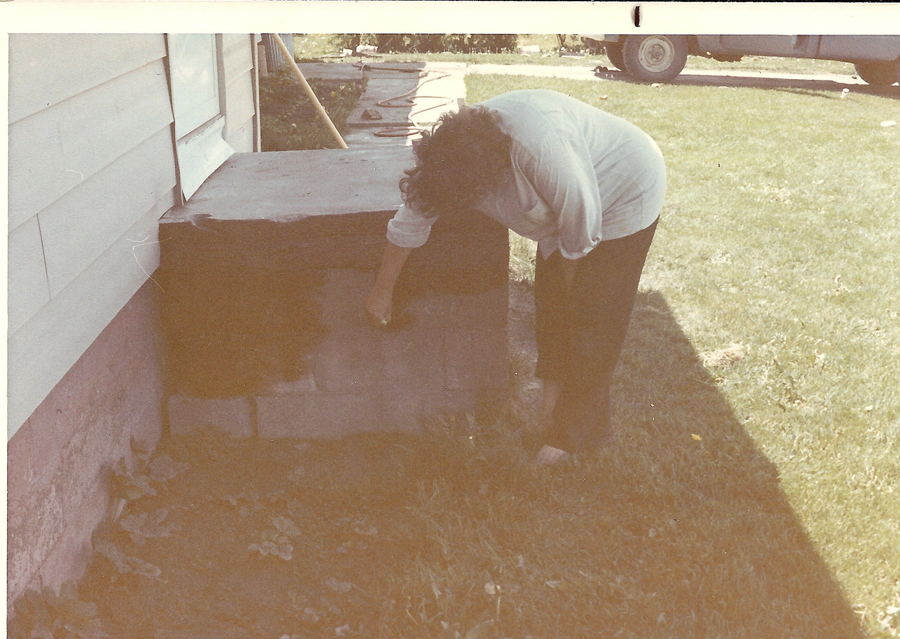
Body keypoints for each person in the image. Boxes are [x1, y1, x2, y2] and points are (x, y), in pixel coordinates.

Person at [364, 89, 666, 465]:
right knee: (551, 310)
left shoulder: (541, 151)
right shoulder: (450, 157)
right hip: (570, 202)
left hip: (624, 186)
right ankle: (548, 413)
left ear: (494, 174)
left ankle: (572, 438)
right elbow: (410, 221)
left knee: (592, 321)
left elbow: (579, 230)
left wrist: (577, 303)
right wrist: (382, 291)